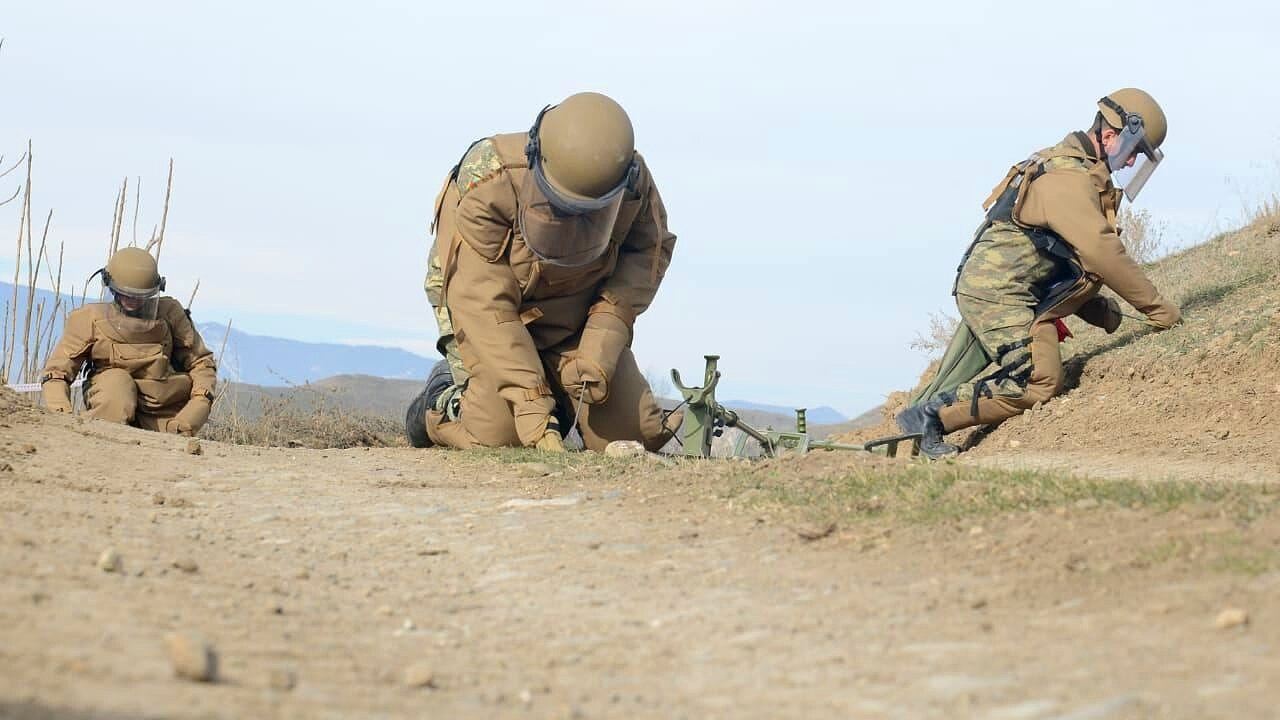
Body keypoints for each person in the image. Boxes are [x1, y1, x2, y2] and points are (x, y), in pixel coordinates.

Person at [897, 88, 1181, 458]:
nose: (1130, 163)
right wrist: (1160, 311)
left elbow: (1062, 262)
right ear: (1111, 135)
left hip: (1009, 290)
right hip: (998, 292)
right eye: (1133, 151)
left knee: (1012, 368)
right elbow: (1101, 252)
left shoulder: (1074, 170)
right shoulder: (1069, 178)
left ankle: (922, 420)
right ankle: (931, 417)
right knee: (1038, 379)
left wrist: (1098, 311)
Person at [407, 92, 681, 453]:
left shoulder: (631, 183)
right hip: (490, 311)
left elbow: (646, 256)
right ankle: (442, 399)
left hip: (576, 316)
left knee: (635, 433)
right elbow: (483, 303)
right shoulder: (487, 181)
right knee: (502, 434)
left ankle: (557, 400)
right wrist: (531, 401)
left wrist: (598, 348)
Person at [40, 247, 217, 435]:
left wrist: (192, 414)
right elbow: (56, 374)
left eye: (139, 296)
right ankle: (103, 440)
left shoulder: (170, 314)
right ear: (111, 287)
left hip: (162, 410)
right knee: (116, 384)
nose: (132, 300)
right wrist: (62, 419)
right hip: (111, 405)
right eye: (125, 294)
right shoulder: (90, 318)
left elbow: (202, 364)